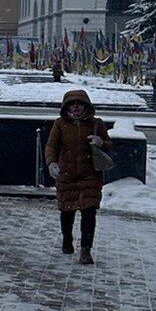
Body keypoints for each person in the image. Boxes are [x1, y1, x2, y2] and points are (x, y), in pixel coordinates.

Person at [43, 87, 113, 264]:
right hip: (67, 175)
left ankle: (86, 250)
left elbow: (109, 144)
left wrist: (101, 142)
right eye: (72, 104)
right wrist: (51, 163)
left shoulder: (97, 123)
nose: (75, 107)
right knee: (67, 212)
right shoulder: (60, 124)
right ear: (66, 107)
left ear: (86, 106)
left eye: (79, 104)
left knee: (89, 213)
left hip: (90, 176)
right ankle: (67, 239)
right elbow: (51, 146)